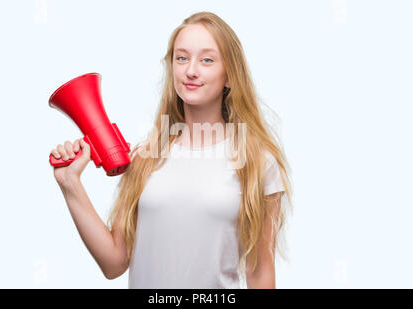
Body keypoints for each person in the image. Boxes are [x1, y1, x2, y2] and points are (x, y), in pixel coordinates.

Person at [50, 11, 293, 289]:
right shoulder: (145, 157)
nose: (191, 70)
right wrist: (70, 184)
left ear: (229, 75)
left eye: (207, 60)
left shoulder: (259, 163)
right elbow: (114, 263)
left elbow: (261, 274)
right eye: (182, 57)